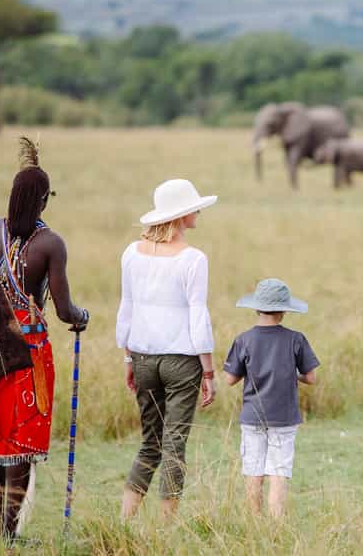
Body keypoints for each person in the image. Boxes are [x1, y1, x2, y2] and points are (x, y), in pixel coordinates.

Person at [0, 138, 88, 541]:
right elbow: (63, 310)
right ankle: (10, 532)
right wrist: (83, 318)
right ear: (41, 201)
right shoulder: (50, 244)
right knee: (23, 439)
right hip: (29, 351)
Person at [116, 179, 218, 519]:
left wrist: (128, 357)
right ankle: (167, 526)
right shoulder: (193, 259)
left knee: (150, 442)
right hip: (182, 361)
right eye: (194, 208)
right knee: (175, 444)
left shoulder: (132, 252)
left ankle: (125, 520)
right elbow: (197, 316)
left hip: (143, 358)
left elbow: (126, 308)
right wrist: (209, 370)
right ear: (181, 215)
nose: (199, 212)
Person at [223, 278, 320, 518]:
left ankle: (254, 522)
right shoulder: (296, 339)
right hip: (285, 417)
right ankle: (276, 525)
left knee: (253, 471)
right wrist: (290, 373)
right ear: (285, 310)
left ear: (256, 307)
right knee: (278, 472)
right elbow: (311, 377)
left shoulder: (243, 339)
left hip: (252, 416)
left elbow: (230, 379)